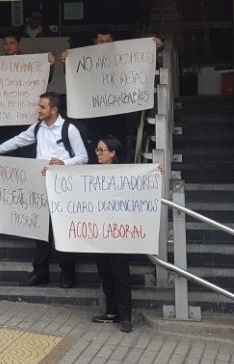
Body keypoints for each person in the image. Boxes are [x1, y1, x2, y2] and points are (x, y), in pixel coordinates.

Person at [0, 93, 86, 287]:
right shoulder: (38, 127)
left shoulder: (69, 129)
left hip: (63, 188)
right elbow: (19, 140)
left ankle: (68, 273)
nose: (38, 110)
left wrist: (63, 163)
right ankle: (40, 273)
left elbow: (83, 157)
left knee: (61, 230)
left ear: (54, 110)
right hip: (40, 185)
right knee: (39, 231)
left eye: (42, 107)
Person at [88, 134, 163, 334]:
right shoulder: (90, 173)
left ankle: (125, 317)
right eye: (97, 150)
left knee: (120, 275)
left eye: (102, 150)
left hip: (119, 234)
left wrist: (154, 173)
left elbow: (141, 183)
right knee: (105, 273)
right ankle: (111, 312)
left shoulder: (125, 173)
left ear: (113, 153)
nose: (98, 154)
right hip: (100, 232)